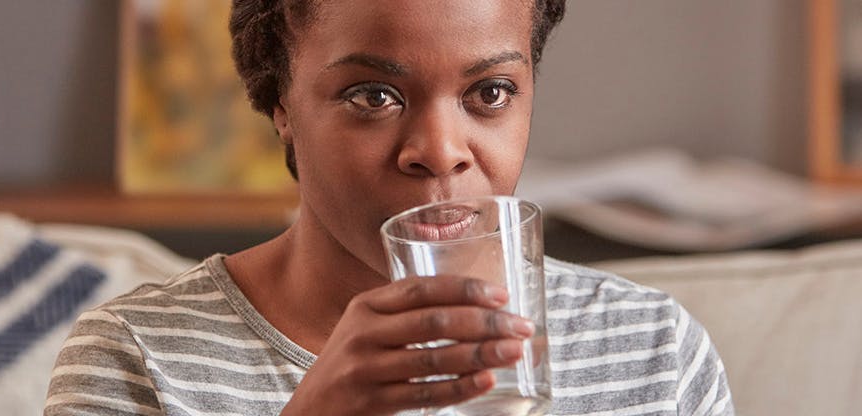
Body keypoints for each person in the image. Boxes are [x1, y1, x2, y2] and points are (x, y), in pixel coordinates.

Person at [45, 0, 734, 415]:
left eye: (489, 92)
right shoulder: (136, 360)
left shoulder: (653, 353)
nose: (439, 151)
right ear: (281, 104)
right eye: (373, 95)